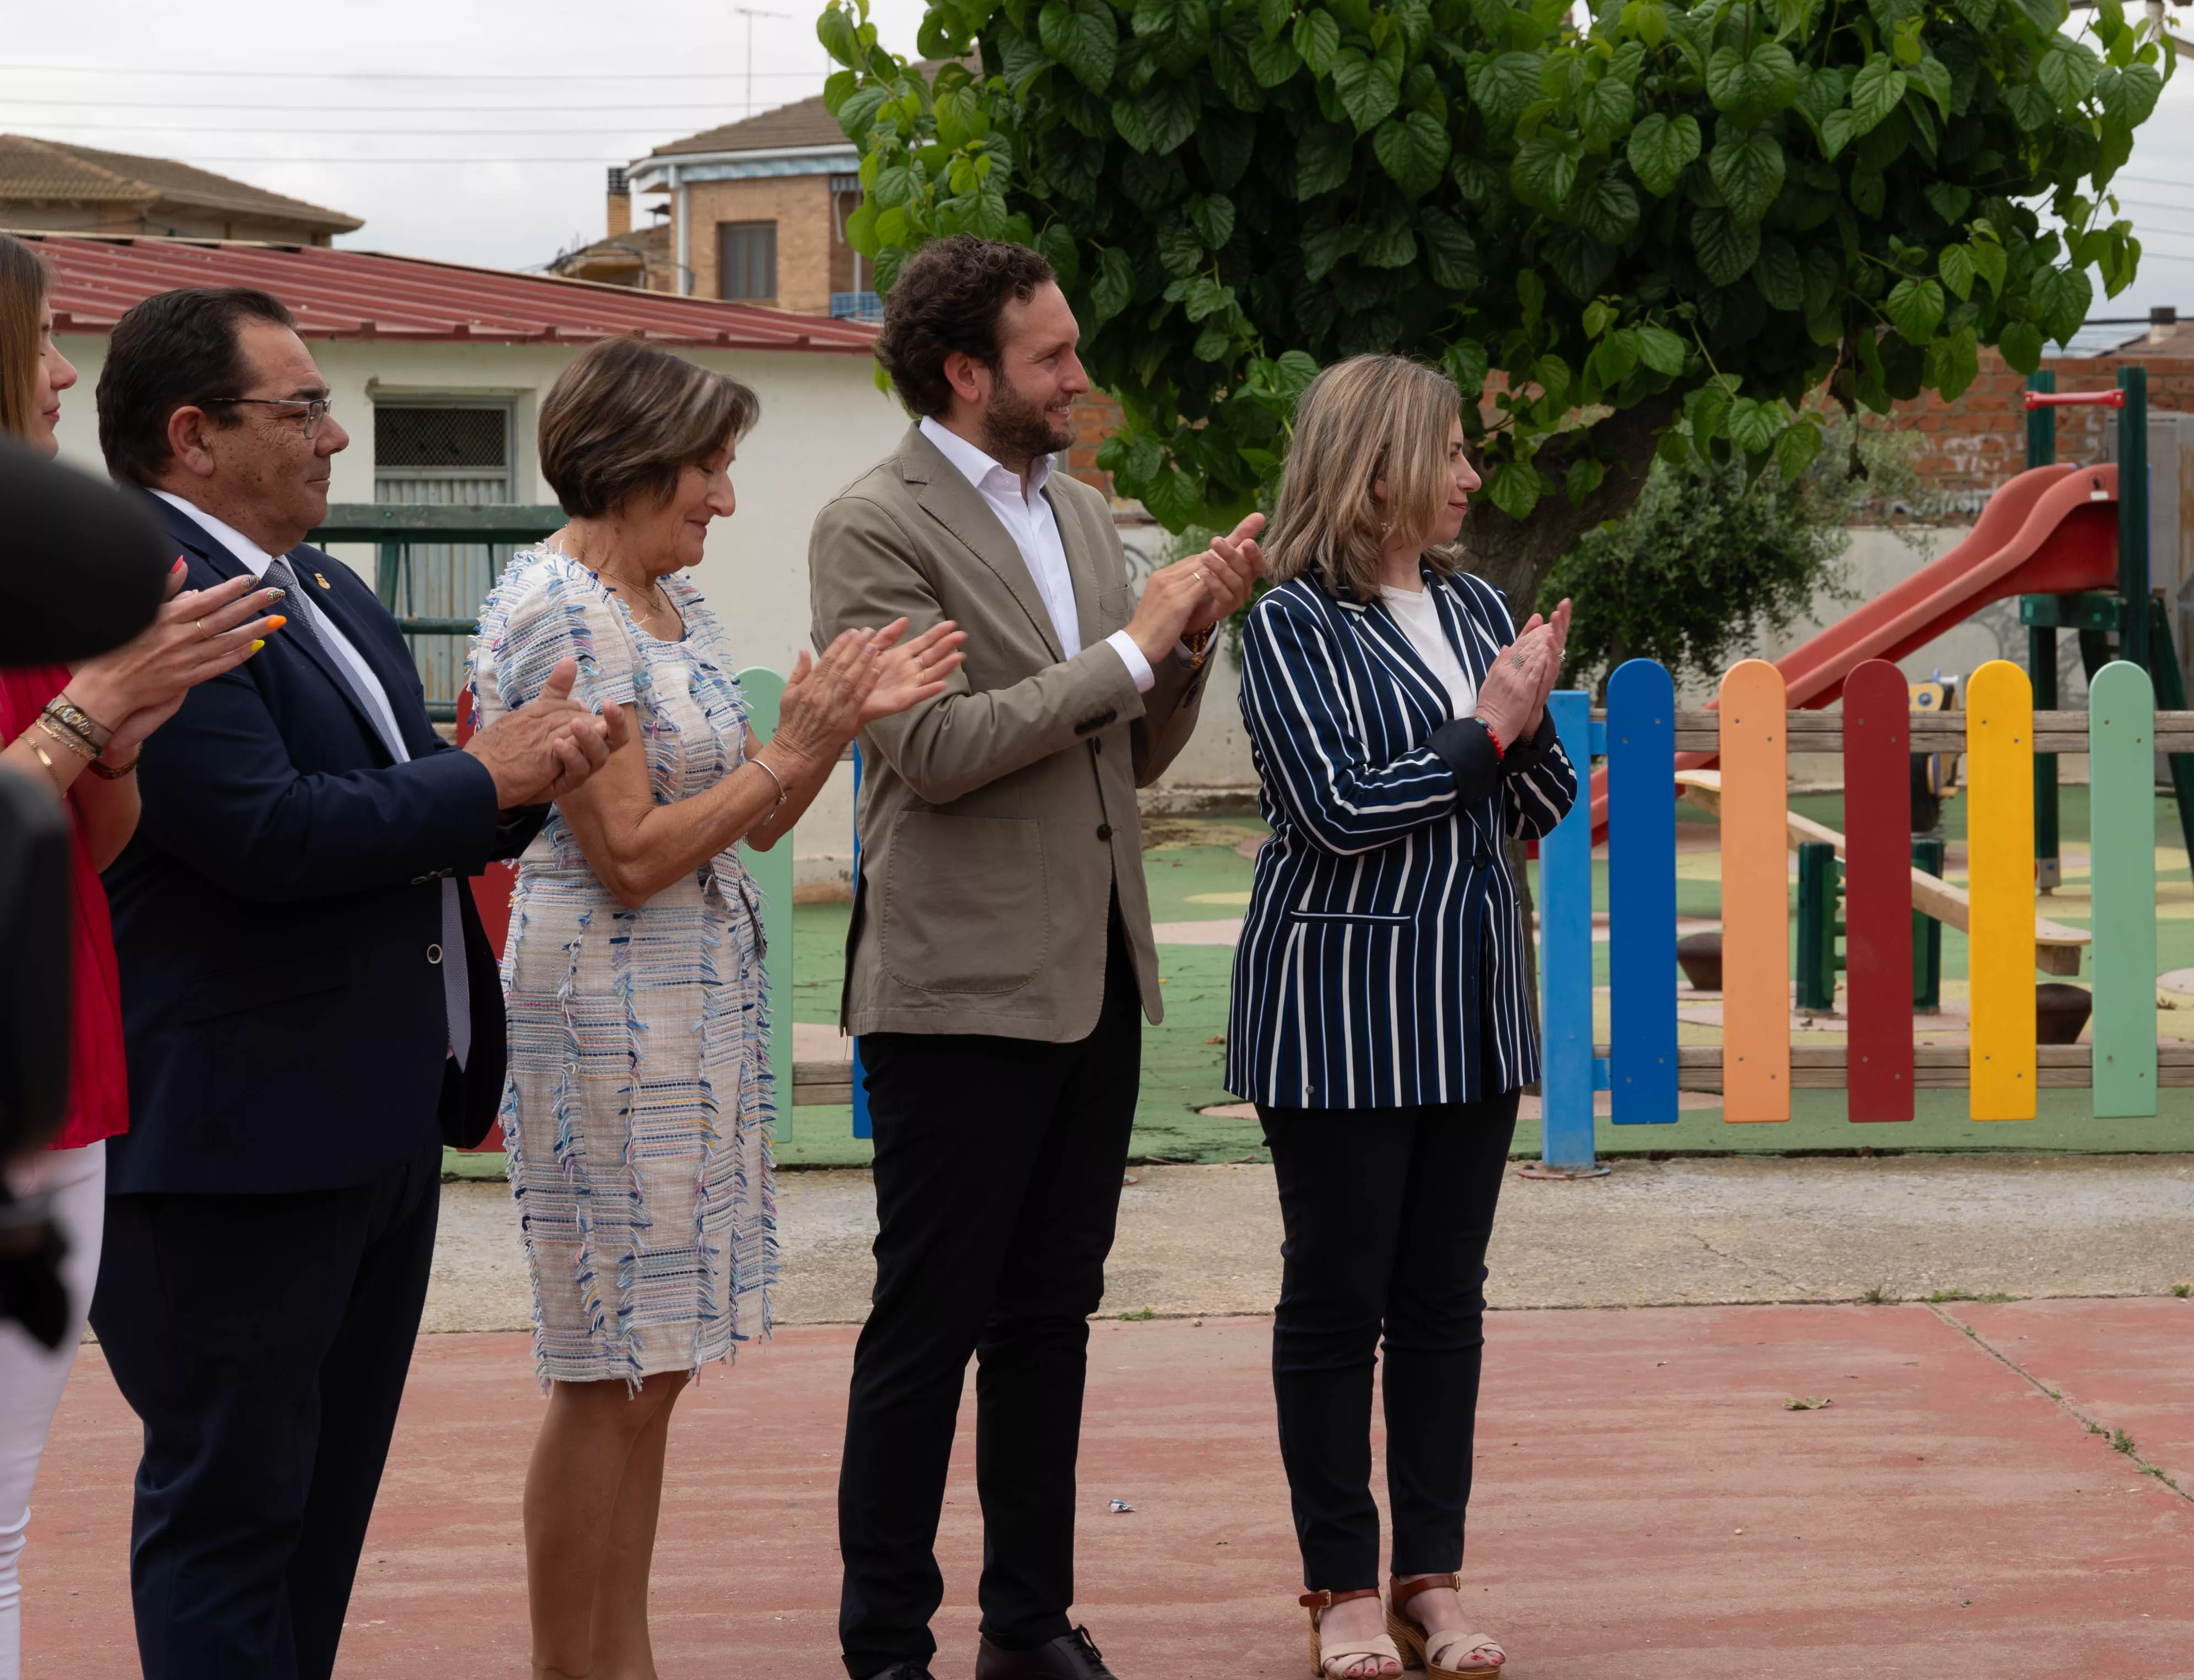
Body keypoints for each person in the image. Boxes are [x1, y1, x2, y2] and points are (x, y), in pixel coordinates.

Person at [90, 286, 617, 1679]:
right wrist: (479, 776)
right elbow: (263, 832)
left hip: (368, 1117)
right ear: (191, 435)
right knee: (233, 1518)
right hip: (236, 1143)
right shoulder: (152, 595)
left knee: (318, 1522)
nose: (335, 436)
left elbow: (391, 805)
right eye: (302, 408)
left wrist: (525, 772)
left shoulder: (316, 586)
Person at [473, 337, 961, 1680]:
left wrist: (831, 724)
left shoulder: (669, 607)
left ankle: (623, 1657)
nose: (727, 499)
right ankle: (571, 1666)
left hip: (690, 1008)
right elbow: (630, 851)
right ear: (635, 460)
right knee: (605, 1362)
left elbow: (746, 810)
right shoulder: (562, 612)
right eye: (711, 467)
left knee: (658, 1360)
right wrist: (792, 748)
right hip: (608, 1011)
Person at [810, 235, 1263, 1680]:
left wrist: (1188, 647)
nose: (1082, 377)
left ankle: (1030, 1626)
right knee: (927, 1326)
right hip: (955, 991)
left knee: (1049, 1320)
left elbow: (1122, 754)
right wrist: (1132, 647)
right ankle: (886, 1642)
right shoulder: (872, 526)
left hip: (1094, 977)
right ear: (965, 372)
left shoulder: (1078, 520)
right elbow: (928, 752)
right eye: (1052, 356)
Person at [1227, 354, 1581, 1680]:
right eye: (1451, 453)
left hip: (1474, 1007)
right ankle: (1340, 1585)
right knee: (1335, 1300)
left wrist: (1526, 714)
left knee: (1444, 1298)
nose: (1472, 478)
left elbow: (1537, 802)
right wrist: (1488, 729)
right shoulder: (1292, 624)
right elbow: (1335, 808)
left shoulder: (1478, 598)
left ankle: (1431, 1573)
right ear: (1376, 466)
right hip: (1339, 1011)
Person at [0, 238, 282, 1679]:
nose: (61, 373)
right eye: (40, 339)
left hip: (66, 1082)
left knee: (3, 1517)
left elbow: (82, 850)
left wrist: (118, 733)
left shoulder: (46, 558)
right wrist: (83, 718)